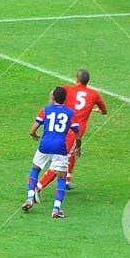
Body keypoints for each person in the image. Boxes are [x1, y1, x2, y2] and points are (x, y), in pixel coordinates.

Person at [38, 68, 106, 192]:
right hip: (75, 132)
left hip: (62, 128)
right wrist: (95, 109)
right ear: (88, 81)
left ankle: (67, 179)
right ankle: (37, 188)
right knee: (60, 161)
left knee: (70, 153)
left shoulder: (67, 89)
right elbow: (104, 110)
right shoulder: (94, 94)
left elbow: (54, 93)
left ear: (77, 79)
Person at [24, 86, 81, 218]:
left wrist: (36, 136)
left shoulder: (45, 111)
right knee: (61, 177)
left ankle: (29, 198)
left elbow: (32, 131)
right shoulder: (71, 113)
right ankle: (56, 209)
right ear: (65, 99)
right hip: (60, 147)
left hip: (45, 145)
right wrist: (78, 147)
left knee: (35, 169)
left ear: (53, 98)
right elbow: (77, 134)